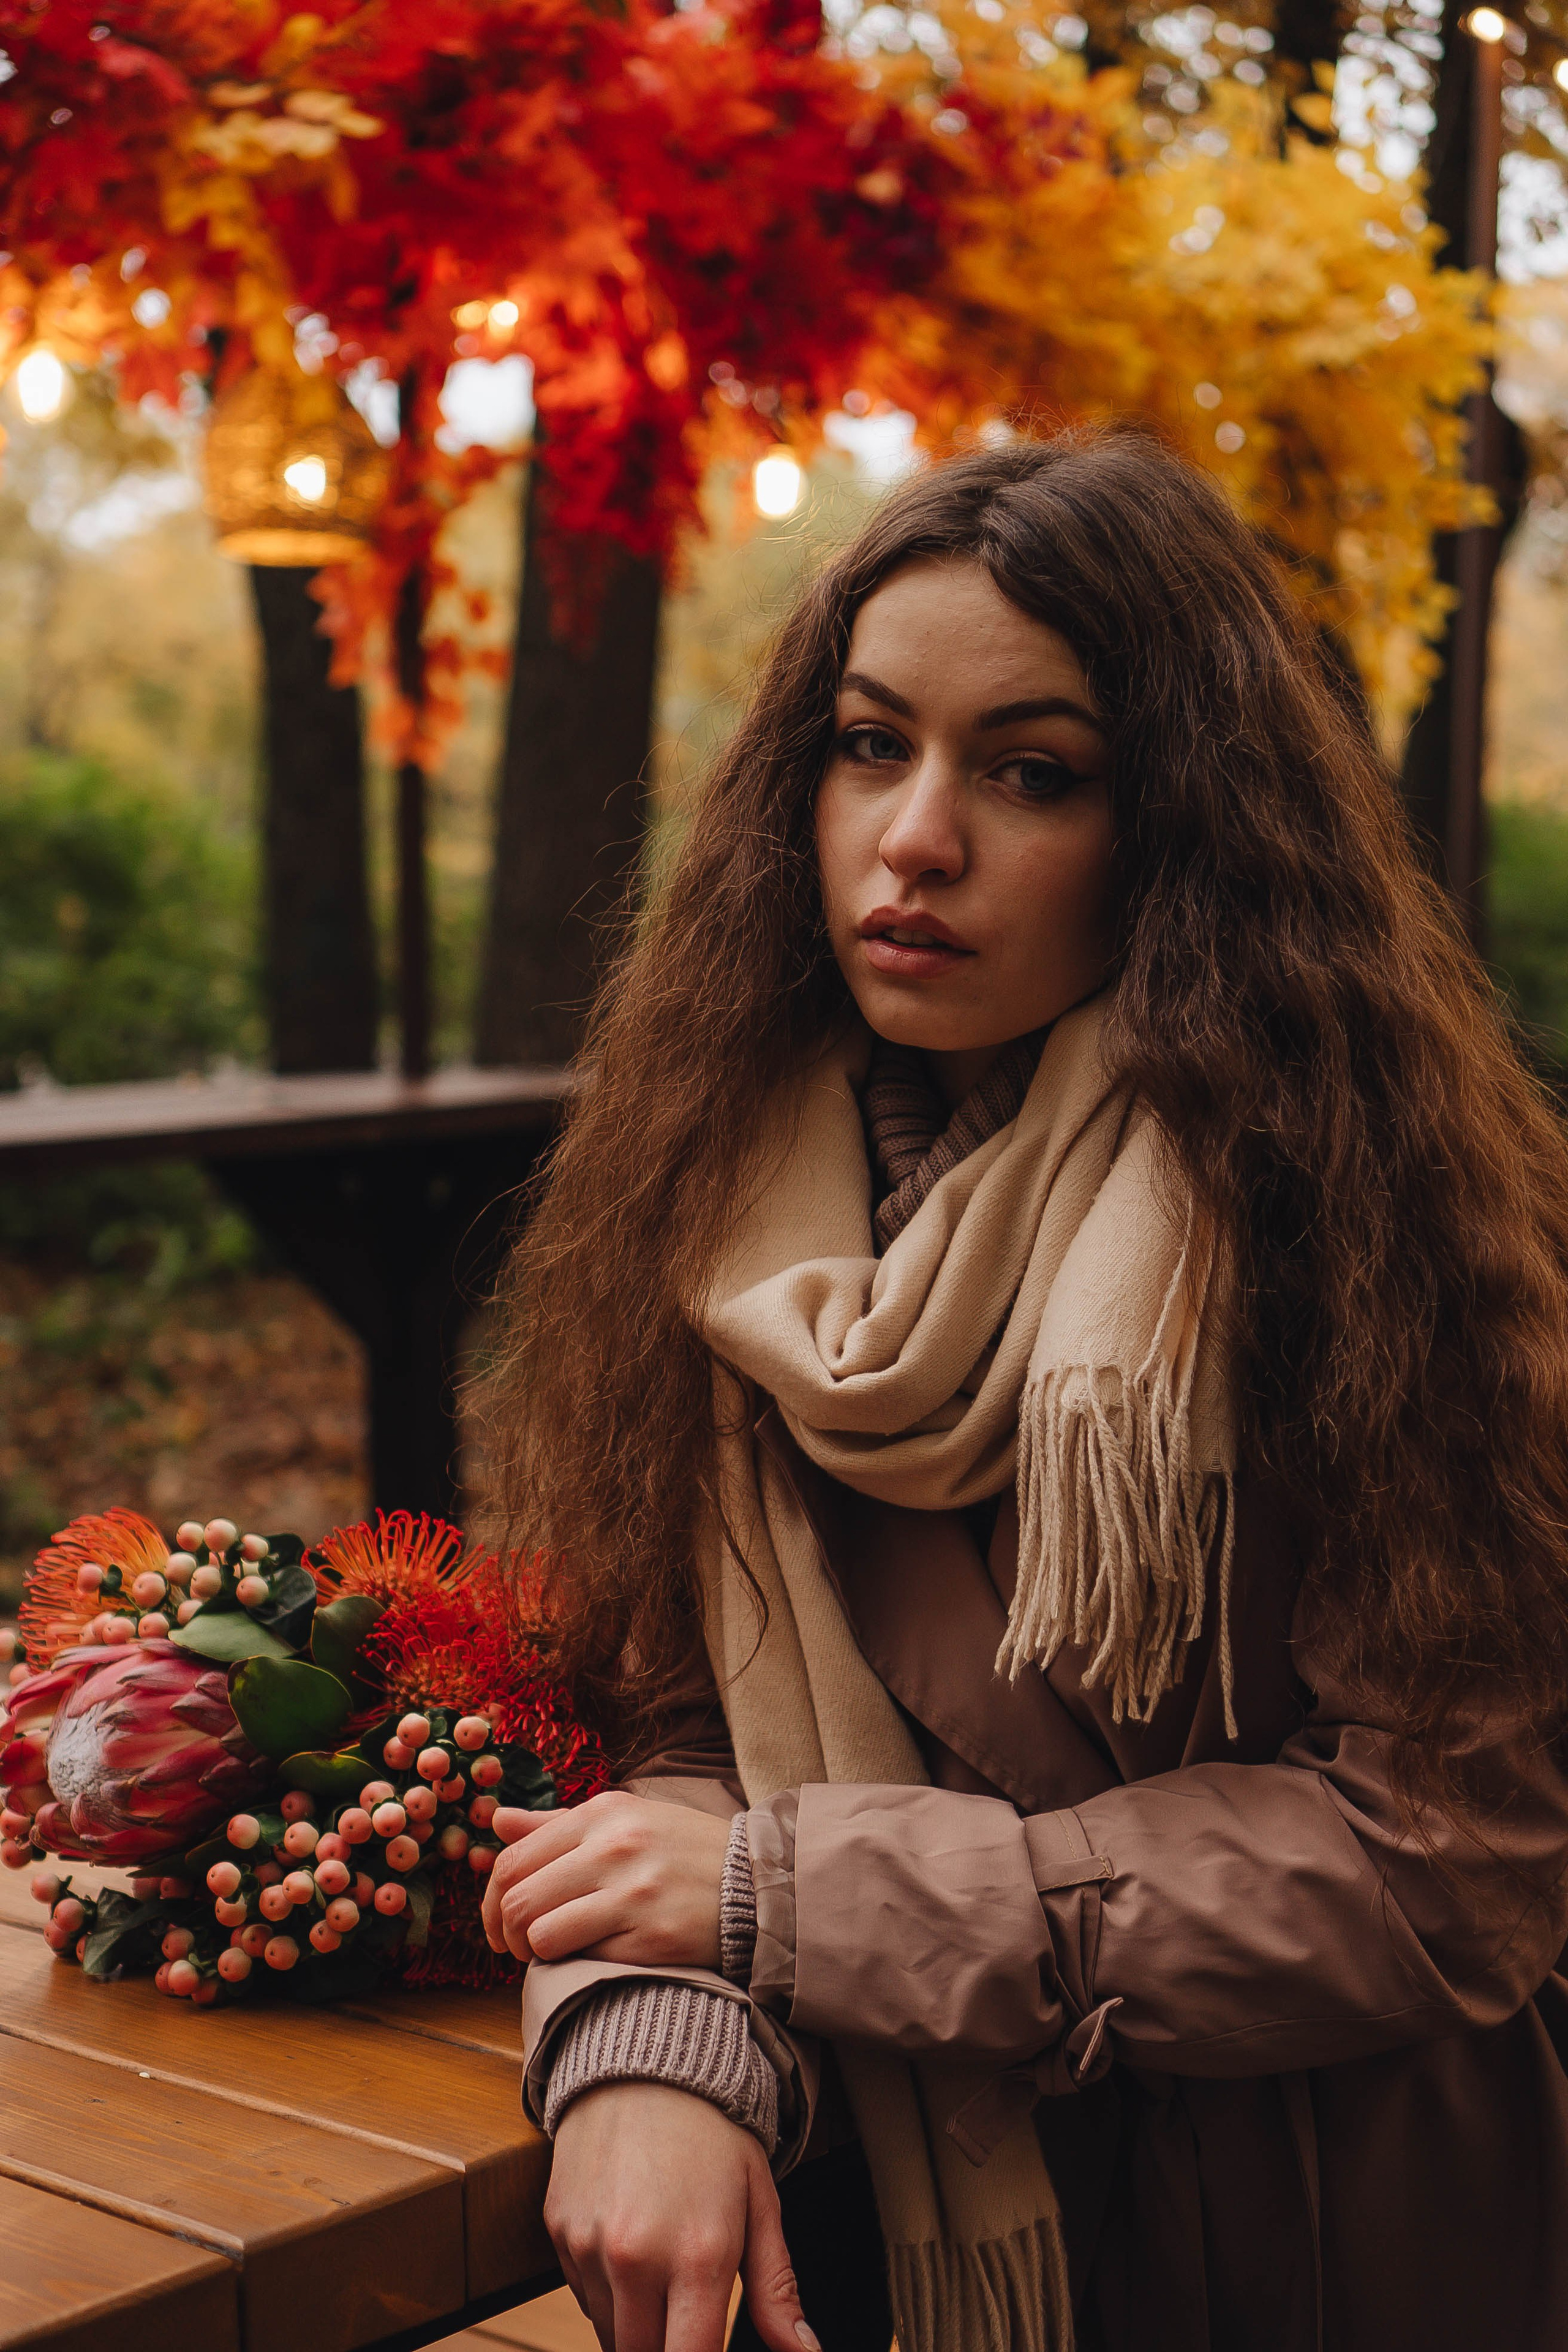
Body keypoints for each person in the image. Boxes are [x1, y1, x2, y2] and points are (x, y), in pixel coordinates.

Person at [478, 431, 1568, 2352]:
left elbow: (1444, 1867)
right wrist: (648, 2043)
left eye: (1034, 774)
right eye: (872, 744)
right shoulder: (712, 1203)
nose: (916, 839)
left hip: (1320, 2242)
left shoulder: (1355, 1216)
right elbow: (653, 1740)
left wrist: (781, 1907)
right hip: (894, 2233)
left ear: (1179, 832)